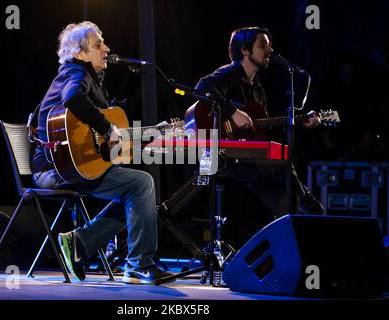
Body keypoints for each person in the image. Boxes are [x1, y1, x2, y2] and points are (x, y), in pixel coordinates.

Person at [31, 21, 172, 284]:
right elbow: (73, 99)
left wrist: (144, 137)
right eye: (98, 45)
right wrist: (108, 128)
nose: (106, 49)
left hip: (71, 165)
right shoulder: (75, 73)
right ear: (80, 53)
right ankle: (137, 264)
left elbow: (100, 141)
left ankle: (80, 243)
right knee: (143, 184)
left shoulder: (89, 78)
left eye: (104, 43)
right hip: (54, 169)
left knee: (138, 194)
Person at [194, 26, 324, 218]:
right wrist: (233, 112)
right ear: (245, 50)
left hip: (245, 159)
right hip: (220, 158)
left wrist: (301, 125)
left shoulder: (258, 91)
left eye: (270, 45)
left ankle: (283, 241)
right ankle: (306, 195)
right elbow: (201, 88)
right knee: (283, 159)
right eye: (262, 45)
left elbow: (263, 135)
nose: (270, 50)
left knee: (287, 198)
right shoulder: (229, 74)